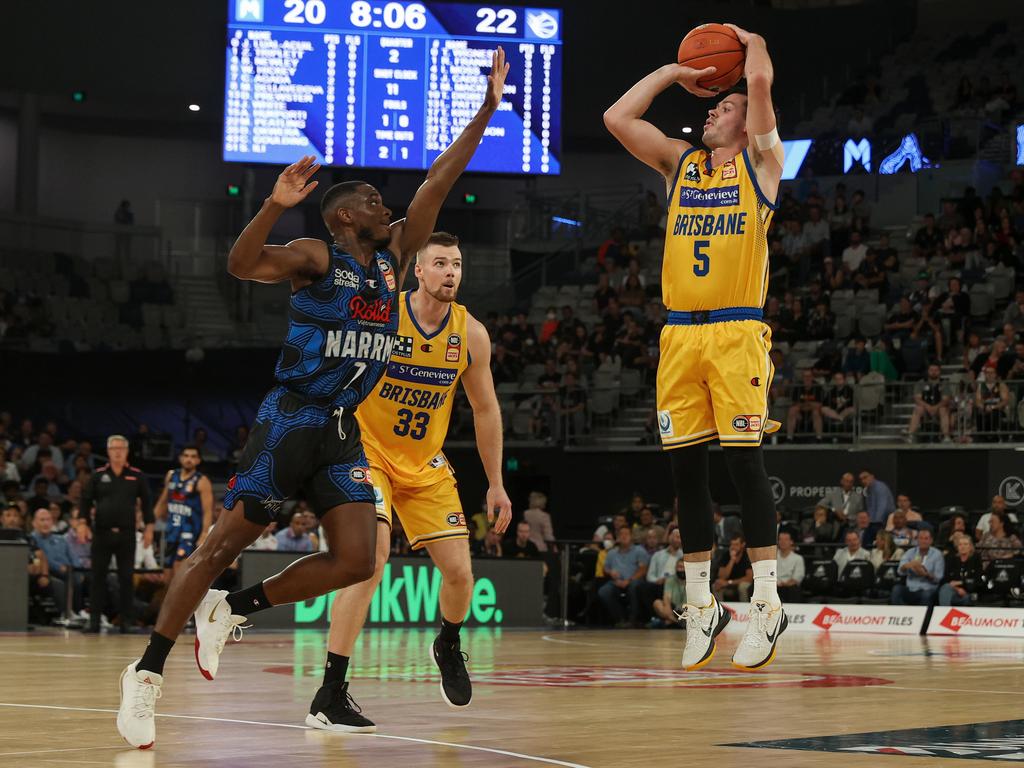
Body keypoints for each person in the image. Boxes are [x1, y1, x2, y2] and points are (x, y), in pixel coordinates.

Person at [115, 49, 510, 750]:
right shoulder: (314, 257)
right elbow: (240, 265)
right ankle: (145, 674)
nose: (384, 206)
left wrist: (486, 107)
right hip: (289, 420)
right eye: (371, 202)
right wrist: (273, 204)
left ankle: (233, 613)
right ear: (342, 217)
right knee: (215, 549)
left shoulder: (394, 258)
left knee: (361, 560)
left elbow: (440, 179)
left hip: (340, 432)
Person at [604, 22, 787, 670]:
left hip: (736, 331)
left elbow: (759, 78)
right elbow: (617, 116)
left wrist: (748, 37)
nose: (713, 110)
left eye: (724, 105)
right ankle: (702, 606)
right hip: (679, 335)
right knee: (685, 473)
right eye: (712, 105)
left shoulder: (763, 165)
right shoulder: (678, 164)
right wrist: (671, 73)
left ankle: (766, 603)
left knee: (743, 464)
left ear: (747, 122)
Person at [307, 231, 513, 731]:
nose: (450, 272)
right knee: (370, 563)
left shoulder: (472, 334)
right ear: (417, 271)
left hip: (424, 464)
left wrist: (496, 483)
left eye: (457, 264)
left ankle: (447, 642)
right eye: (440, 263)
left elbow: (485, 410)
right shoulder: (382, 314)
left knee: (462, 574)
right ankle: (330, 693)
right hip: (367, 452)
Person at [83, 436, 153, 634]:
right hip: (102, 533)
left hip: (127, 533)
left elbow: (147, 502)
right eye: (114, 448)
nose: (117, 451)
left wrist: (149, 527)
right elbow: (86, 501)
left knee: (126, 578)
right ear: (108, 451)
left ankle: (126, 622)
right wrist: (82, 523)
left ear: (127, 451)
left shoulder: (136, 476)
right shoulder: (98, 475)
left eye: (121, 448)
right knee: (97, 577)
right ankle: (94, 621)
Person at [153, 446, 213, 580]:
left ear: (198, 460)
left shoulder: (202, 481)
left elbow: (207, 511)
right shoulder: (171, 475)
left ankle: (180, 601)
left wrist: (204, 534)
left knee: (179, 567)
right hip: (171, 530)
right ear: (180, 458)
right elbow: (163, 501)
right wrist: (150, 523)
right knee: (167, 573)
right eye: (186, 456)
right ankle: (168, 601)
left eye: (193, 457)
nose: (189, 459)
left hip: (189, 532)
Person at [598, 524, 650, 627]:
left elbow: (643, 569)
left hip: (633, 580)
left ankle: (632, 619)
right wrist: (610, 573)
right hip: (616, 582)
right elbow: (605, 569)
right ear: (617, 537)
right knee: (604, 591)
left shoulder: (639, 550)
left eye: (626, 534)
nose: (624, 536)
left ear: (631, 536)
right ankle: (620, 619)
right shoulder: (611, 553)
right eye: (621, 534)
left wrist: (629, 580)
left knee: (634, 586)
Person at [891, 528, 944, 605]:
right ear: (917, 540)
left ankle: (924, 616)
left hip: (928, 589)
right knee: (897, 589)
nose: (923, 541)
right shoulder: (910, 552)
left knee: (926, 595)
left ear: (931, 540)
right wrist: (907, 566)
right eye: (921, 538)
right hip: (910, 588)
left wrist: (926, 574)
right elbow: (900, 571)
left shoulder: (937, 554)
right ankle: (899, 615)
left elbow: (938, 578)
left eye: (926, 538)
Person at [908, 364, 952, 442]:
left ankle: (946, 437)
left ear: (939, 372)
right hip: (925, 409)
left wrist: (935, 407)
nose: (933, 372)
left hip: (938, 409)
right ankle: (910, 435)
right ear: (928, 371)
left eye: (936, 370)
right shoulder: (921, 382)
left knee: (943, 409)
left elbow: (946, 399)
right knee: (918, 408)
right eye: (931, 370)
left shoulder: (944, 383)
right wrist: (928, 406)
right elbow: (917, 399)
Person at [939, 535, 983, 606]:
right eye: (960, 544)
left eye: (965, 544)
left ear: (970, 547)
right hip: (952, 591)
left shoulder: (976, 559)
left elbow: (977, 580)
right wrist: (957, 589)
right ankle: (944, 613)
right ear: (957, 547)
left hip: (969, 592)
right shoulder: (951, 559)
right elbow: (945, 579)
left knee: (965, 598)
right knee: (945, 588)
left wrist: (961, 582)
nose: (963, 547)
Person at [775, 530, 804, 603]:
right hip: (773, 584)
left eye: (786, 539)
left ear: (791, 542)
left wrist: (786, 583)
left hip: (789, 586)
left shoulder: (798, 558)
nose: (782, 542)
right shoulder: (772, 556)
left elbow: (797, 577)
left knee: (794, 590)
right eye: (780, 539)